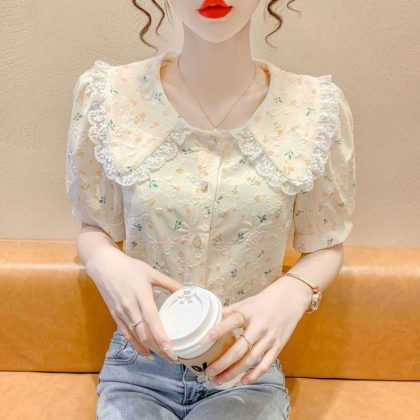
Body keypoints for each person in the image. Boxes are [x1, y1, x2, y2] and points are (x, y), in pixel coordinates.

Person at [65, 0, 356, 418]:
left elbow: (326, 243)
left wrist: (294, 291)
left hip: (244, 368)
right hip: (139, 365)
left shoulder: (314, 109)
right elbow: (94, 228)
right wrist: (104, 261)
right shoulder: (109, 96)